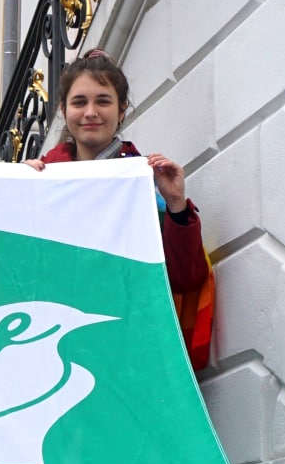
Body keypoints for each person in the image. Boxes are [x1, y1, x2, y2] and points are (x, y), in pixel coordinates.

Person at [34, 52, 213, 362]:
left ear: (121, 112)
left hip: (127, 347)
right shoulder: (38, 179)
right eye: (79, 102)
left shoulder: (146, 185)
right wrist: (18, 190)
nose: (90, 112)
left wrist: (176, 205)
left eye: (103, 101)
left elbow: (187, 279)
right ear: (64, 111)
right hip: (51, 345)